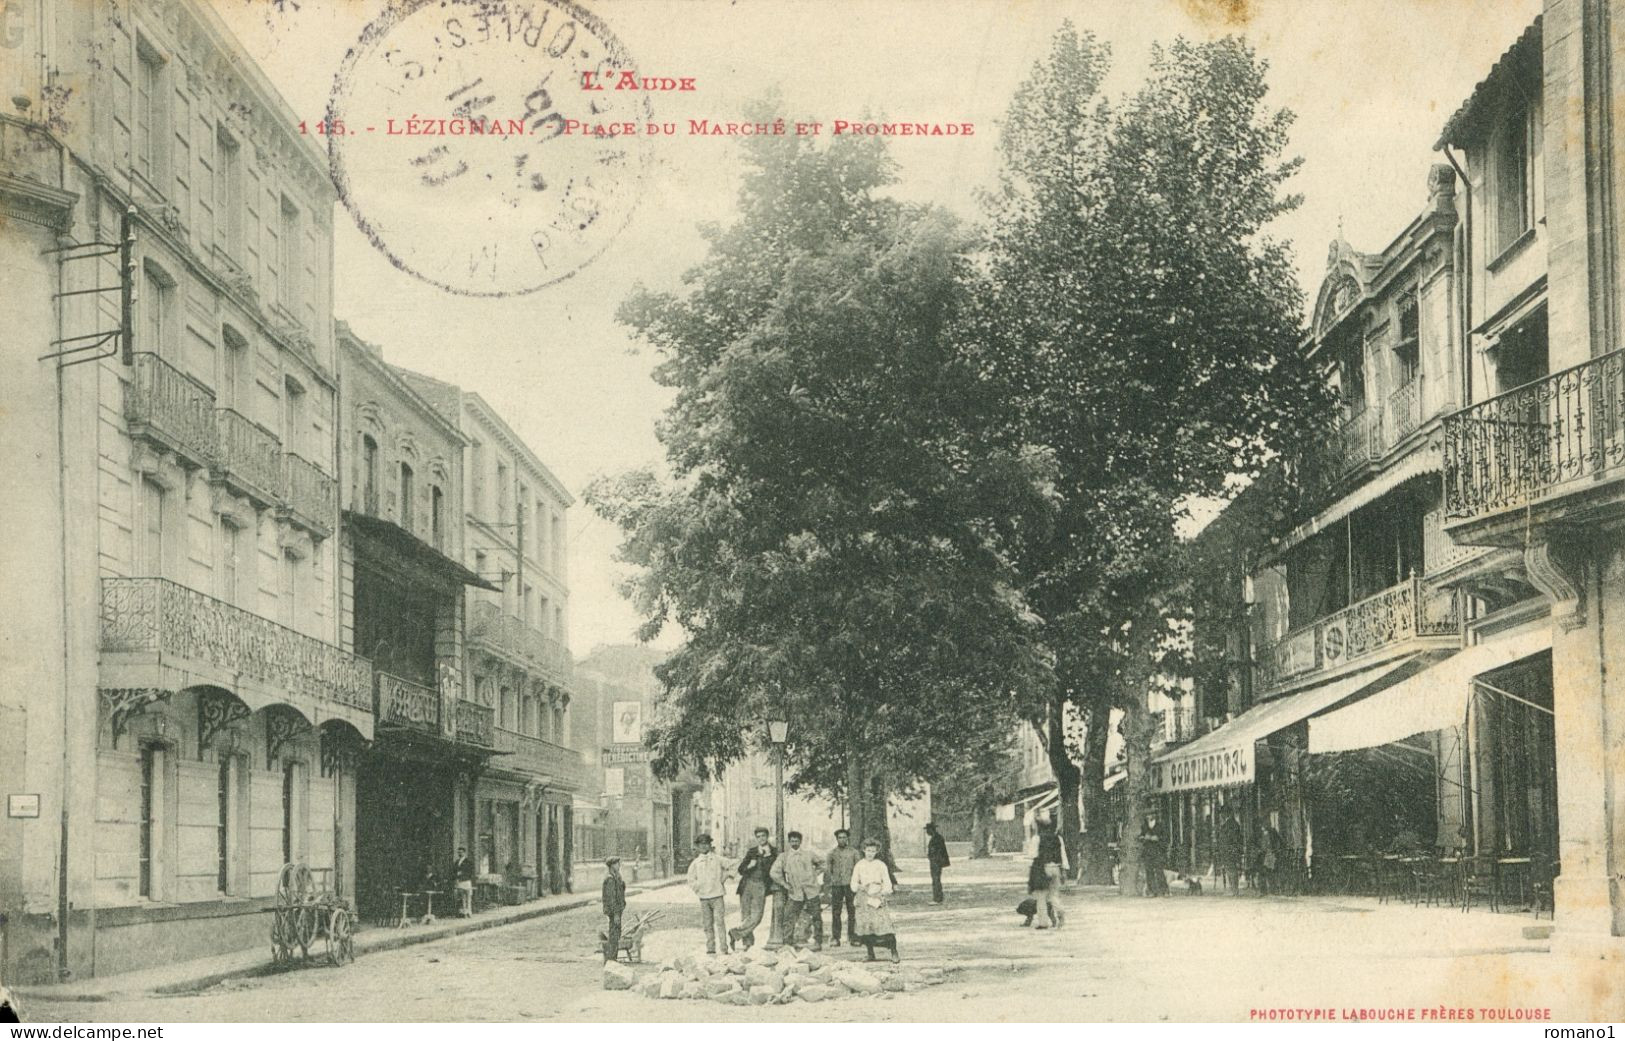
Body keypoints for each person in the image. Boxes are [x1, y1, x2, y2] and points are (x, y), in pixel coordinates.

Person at [769, 830, 825, 950]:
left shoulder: (808, 854)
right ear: (789, 842)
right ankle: (788, 943)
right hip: (795, 892)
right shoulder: (784, 857)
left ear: (800, 841)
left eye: (797, 840)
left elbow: (823, 864)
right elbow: (774, 872)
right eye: (792, 840)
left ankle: (818, 942)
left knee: (816, 916)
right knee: (789, 917)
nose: (794, 843)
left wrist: (815, 874)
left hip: (811, 890)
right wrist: (784, 884)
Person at [851, 837, 900, 962]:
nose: (870, 853)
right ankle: (870, 953)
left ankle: (894, 952)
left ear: (876, 851)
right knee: (867, 927)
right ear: (864, 850)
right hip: (864, 898)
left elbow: (887, 883)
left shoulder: (880, 865)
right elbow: (853, 883)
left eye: (873, 851)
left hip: (877, 896)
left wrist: (882, 893)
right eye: (868, 850)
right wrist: (859, 886)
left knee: (884, 925)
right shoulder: (859, 865)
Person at [686, 833, 734, 954]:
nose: (703, 846)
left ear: (709, 845)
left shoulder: (717, 859)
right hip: (704, 898)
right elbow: (691, 880)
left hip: (717, 895)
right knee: (707, 924)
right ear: (697, 846)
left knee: (720, 922)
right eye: (701, 844)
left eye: (706, 844)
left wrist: (725, 877)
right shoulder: (696, 863)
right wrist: (699, 887)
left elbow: (733, 864)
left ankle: (724, 948)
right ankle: (710, 948)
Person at [729, 827, 776, 950]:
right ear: (756, 838)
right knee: (746, 915)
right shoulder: (752, 851)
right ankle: (747, 944)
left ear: (767, 836)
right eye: (758, 836)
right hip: (747, 884)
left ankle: (735, 933)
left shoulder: (774, 852)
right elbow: (741, 870)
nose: (761, 839)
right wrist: (750, 866)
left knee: (757, 916)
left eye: (763, 836)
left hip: (761, 885)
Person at [825, 829, 862, 946]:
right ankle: (836, 938)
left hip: (851, 885)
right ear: (836, 839)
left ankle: (853, 937)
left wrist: (858, 884)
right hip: (837, 886)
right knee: (836, 912)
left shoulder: (854, 852)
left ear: (847, 838)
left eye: (844, 837)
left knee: (852, 911)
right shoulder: (832, 853)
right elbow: (828, 871)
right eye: (840, 837)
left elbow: (859, 869)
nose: (842, 839)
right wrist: (829, 885)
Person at [1031, 818, 1066, 928]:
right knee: (1054, 895)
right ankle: (1060, 911)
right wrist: (1064, 870)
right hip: (1056, 868)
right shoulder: (1058, 838)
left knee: (1041, 896)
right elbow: (1063, 854)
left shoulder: (1037, 838)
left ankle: (1043, 923)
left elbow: (1032, 854)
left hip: (1043, 868)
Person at [601, 856, 626, 963]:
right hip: (614, 912)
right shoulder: (610, 879)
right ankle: (611, 959)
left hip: (618, 910)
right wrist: (616, 914)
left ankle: (612, 957)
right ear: (612, 866)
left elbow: (621, 891)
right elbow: (611, 899)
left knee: (616, 933)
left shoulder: (615, 877)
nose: (619, 866)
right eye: (617, 864)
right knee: (614, 935)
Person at [1141, 813, 1170, 897]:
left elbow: (1165, 838)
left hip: (1158, 852)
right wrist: (1144, 838)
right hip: (1147, 852)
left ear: (1154, 816)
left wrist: (1158, 838)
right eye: (1147, 815)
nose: (1148, 817)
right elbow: (1141, 836)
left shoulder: (1161, 825)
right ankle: (1151, 891)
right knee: (1149, 872)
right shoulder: (1144, 826)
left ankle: (1164, 890)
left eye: (1150, 815)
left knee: (1159, 871)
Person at [1217, 806, 1243, 896]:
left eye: (1222, 813)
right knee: (1230, 870)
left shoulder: (1231, 824)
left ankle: (1234, 890)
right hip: (1228, 850)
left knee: (1231, 870)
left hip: (1229, 851)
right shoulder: (1231, 823)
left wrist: (1231, 849)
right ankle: (1233, 889)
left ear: (1226, 813)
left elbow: (1233, 839)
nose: (1221, 815)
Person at [925, 822, 951, 904]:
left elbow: (939, 851)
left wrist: (935, 859)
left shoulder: (937, 838)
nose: (927, 832)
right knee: (935, 879)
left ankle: (938, 898)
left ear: (931, 830)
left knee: (936, 879)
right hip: (935, 861)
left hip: (936, 862)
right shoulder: (936, 837)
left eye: (928, 830)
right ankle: (937, 897)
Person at [453, 846, 475, 917]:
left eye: (461, 852)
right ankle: (464, 912)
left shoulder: (468, 862)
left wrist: (462, 873)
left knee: (468, 897)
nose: (460, 853)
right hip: (459, 881)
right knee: (462, 897)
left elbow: (470, 872)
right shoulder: (457, 862)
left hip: (466, 881)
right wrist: (456, 876)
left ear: (464, 853)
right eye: (458, 852)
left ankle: (469, 912)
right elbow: (454, 871)